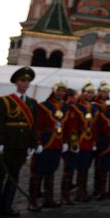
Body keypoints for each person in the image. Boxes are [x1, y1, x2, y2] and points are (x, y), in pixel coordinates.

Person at [0, 66, 38, 218]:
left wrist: (32, 144)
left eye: (27, 81)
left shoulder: (32, 103)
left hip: (21, 145)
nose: (25, 83)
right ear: (16, 82)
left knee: (14, 176)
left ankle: (7, 206)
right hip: (7, 144)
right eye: (22, 80)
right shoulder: (4, 100)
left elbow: (33, 125)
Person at [29, 80, 72, 209]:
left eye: (63, 91)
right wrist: (37, 143)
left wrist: (65, 141)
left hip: (57, 143)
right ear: (54, 91)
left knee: (51, 171)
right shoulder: (43, 106)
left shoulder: (66, 108)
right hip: (45, 141)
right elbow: (36, 126)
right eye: (58, 90)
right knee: (37, 171)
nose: (60, 93)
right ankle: (32, 201)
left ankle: (49, 199)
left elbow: (67, 127)